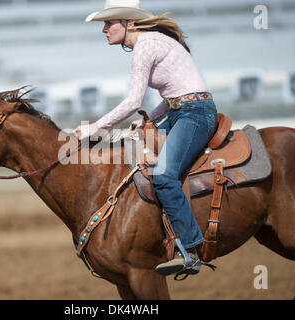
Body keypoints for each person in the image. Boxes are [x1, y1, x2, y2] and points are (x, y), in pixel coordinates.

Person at [73, 0, 218, 276]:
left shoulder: (144, 47)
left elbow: (131, 101)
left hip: (194, 114)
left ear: (129, 23)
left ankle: (190, 249)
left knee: (163, 176)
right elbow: (175, 94)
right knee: (136, 159)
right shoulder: (152, 42)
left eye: (108, 23)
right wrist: (147, 119)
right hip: (185, 111)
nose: (104, 30)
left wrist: (95, 128)